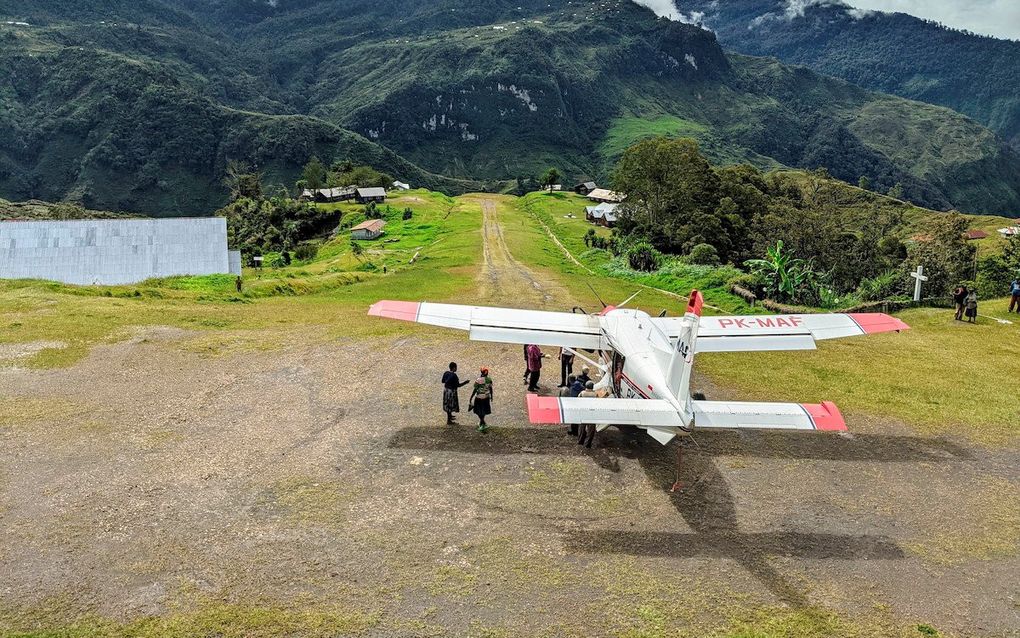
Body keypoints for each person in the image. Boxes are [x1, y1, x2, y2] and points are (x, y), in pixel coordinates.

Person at [469, 367, 494, 432]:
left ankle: (483, 423)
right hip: (486, 397)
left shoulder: (478, 380)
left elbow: (475, 389)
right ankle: (482, 423)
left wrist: (471, 397)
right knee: (484, 410)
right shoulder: (489, 379)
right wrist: (491, 396)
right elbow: (491, 388)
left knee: (478, 411)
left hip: (479, 397)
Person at [577, 381, 598, 448]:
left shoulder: (582, 393)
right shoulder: (595, 394)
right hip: (592, 413)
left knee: (582, 428)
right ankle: (588, 444)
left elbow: (577, 401)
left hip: (583, 412)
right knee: (591, 430)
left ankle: (580, 441)